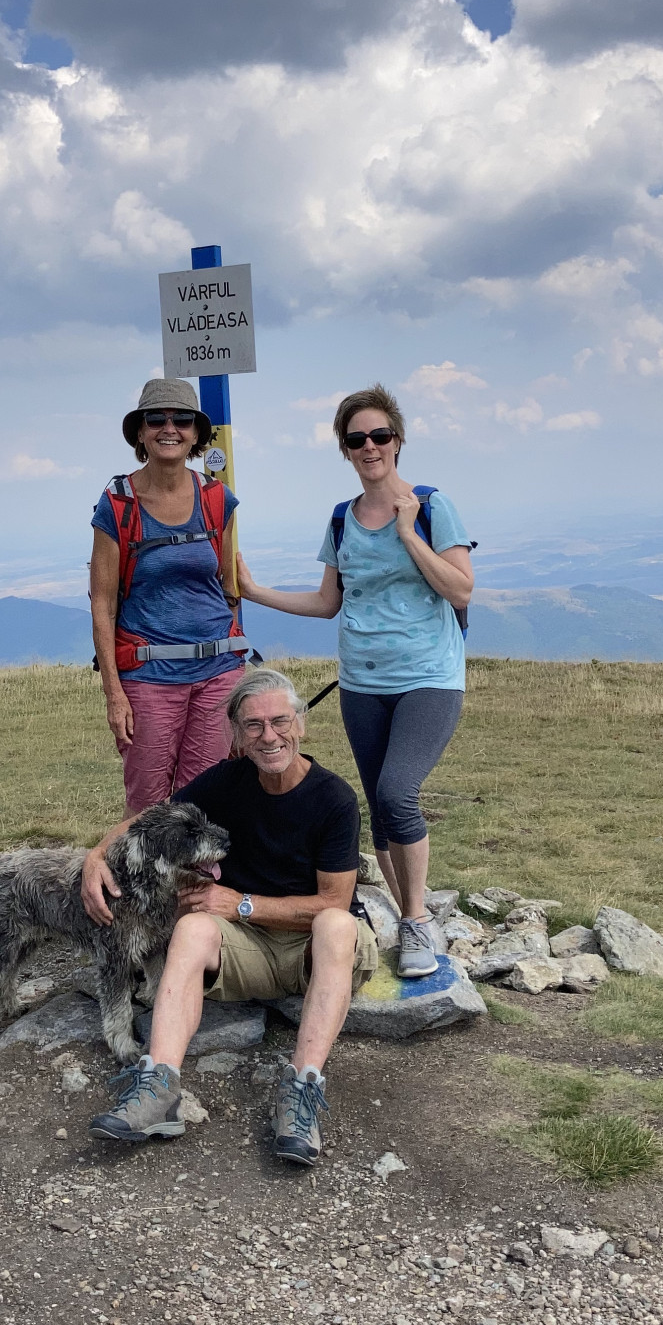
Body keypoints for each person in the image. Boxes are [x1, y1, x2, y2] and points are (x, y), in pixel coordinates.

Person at [78, 668, 378, 1167]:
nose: (269, 736)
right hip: (247, 947)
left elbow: (334, 900)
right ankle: (159, 1086)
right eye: (253, 725)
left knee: (336, 923)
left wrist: (240, 903)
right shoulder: (227, 780)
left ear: (301, 723)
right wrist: (96, 855)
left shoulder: (334, 799)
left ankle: (302, 1090)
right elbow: (154, 818)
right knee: (193, 926)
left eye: (279, 721)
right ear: (236, 734)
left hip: (315, 949)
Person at [236, 384, 473, 978]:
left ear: (398, 440)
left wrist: (408, 534)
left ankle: (415, 921)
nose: (370, 446)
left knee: (397, 793)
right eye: (357, 438)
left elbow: (460, 588)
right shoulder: (342, 519)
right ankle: (404, 909)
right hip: (363, 683)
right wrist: (254, 591)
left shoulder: (431, 505)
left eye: (380, 435)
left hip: (429, 676)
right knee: (380, 806)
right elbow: (327, 603)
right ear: (345, 449)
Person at [90, 377, 248, 816]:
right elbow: (102, 603)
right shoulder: (117, 504)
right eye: (156, 419)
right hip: (148, 676)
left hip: (218, 673)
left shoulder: (218, 500)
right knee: (148, 808)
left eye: (181, 420)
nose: (169, 428)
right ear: (140, 433)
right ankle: (142, 867)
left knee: (204, 805)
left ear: (196, 434)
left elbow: (227, 587)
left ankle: (198, 868)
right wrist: (113, 693)